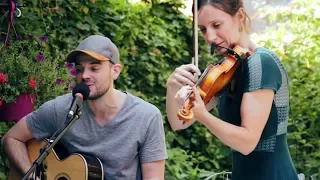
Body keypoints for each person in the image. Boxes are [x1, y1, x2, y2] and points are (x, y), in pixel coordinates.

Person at [2, 35, 167, 180]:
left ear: (115, 71)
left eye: (94, 68)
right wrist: (31, 176)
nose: (84, 75)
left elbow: (154, 176)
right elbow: (12, 138)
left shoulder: (146, 116)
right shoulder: (61, 109)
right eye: (79, 69)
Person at [166, 0, 298, 179]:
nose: (210, 37)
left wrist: (203, 115)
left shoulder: (261, 62)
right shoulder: (227, 69)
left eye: (216, 25)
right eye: (203, 29)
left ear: (240, 16)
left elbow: (247, 142)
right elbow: (179, 122)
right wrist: (172, 86)